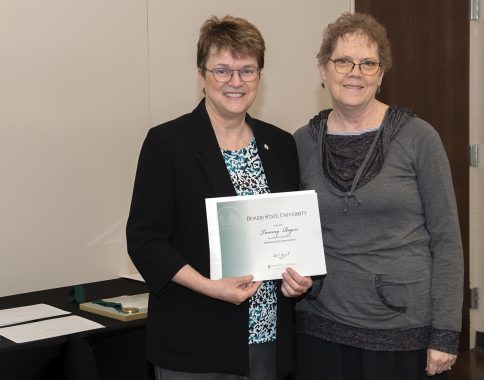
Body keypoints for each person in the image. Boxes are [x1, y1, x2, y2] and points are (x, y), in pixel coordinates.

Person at [126, 15, 312, 380]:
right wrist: (210, 287)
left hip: (268, 337)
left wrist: (300, 278)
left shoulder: (282, 145)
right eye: (222, 70)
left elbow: (289, 233)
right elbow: (145, 241)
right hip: (195, 337)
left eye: (247, 70)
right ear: (201, 75)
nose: (235, 82)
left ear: (259, 76)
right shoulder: (167, 144)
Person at [293, 12, 464, 380]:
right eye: (343, 61)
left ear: (381, 74)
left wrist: (446, 334)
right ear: (323, 70)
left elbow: (447, 241)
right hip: (320, 328)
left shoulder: (419, 138)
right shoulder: (302, 143)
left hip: (403, 332)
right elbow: (291, 234)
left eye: (368, 63)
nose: (355, 72)